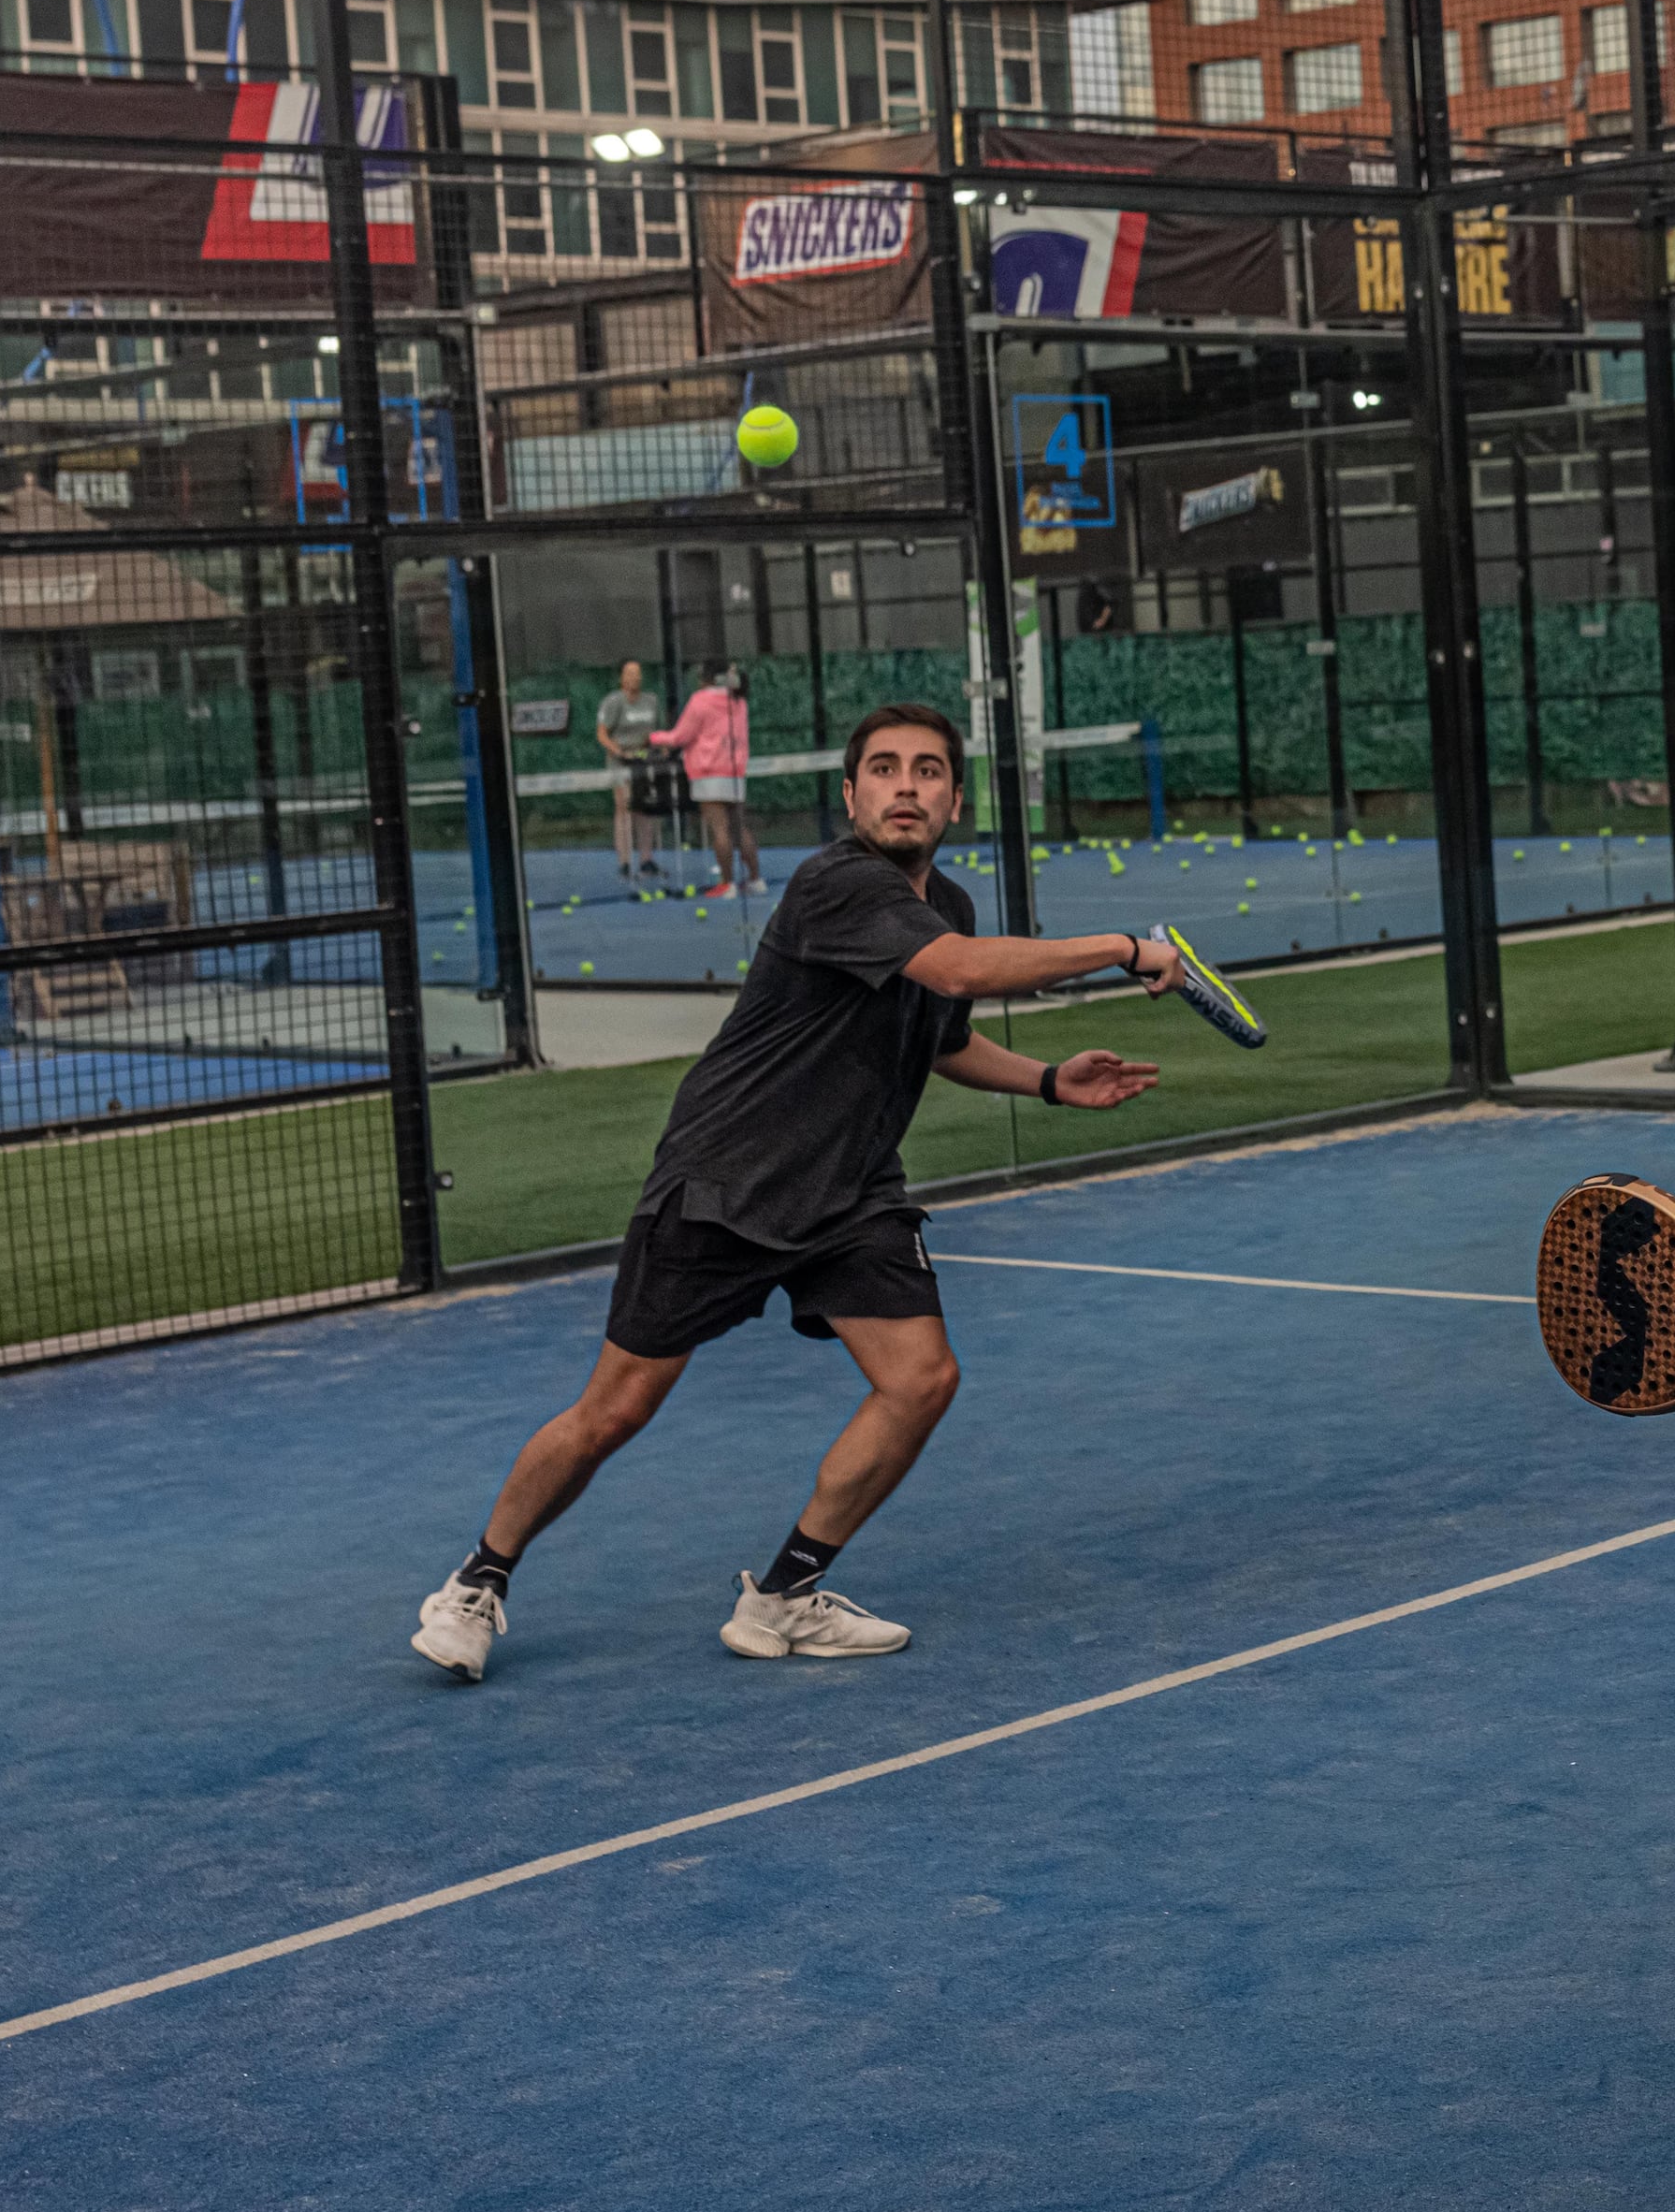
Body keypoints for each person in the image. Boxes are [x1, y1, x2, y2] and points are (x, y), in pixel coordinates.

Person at [410, 703, 1174, 1679]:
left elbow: (939, 1035)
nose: (907, 785)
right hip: (727, 1178)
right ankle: (477, 1579)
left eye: (929, 770)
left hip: (849, 1192)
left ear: (954, 798)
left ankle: (783, 1596)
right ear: (851, 792)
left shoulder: (951, 900)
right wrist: (1123, 944)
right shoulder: (835, 883)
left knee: (921, 1378)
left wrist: (1045, 1079)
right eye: (886, 768)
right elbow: (955, 968)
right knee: (615, 1408)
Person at [655, 663, 758, 894]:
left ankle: (727, 883)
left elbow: (679, 736)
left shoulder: (700, 700)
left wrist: (652, 738)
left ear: (707, 679)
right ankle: (755, 880)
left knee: (720, 829)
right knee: (740, 828)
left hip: (708, 773)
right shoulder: (739, 701)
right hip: (735, 772)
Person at [594, 658, 667, 881]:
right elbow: (602, 733)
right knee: (624, 808)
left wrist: (661, 750)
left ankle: (646, 859)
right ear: (622, 678)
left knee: (645, 810)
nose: (635, 677)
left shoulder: (651, 701)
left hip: (644, 762)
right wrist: (618, 751)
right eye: (630, 673)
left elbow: (658, 732)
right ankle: (625, 862)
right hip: (621, 763)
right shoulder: (613, 702)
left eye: (638, 673)